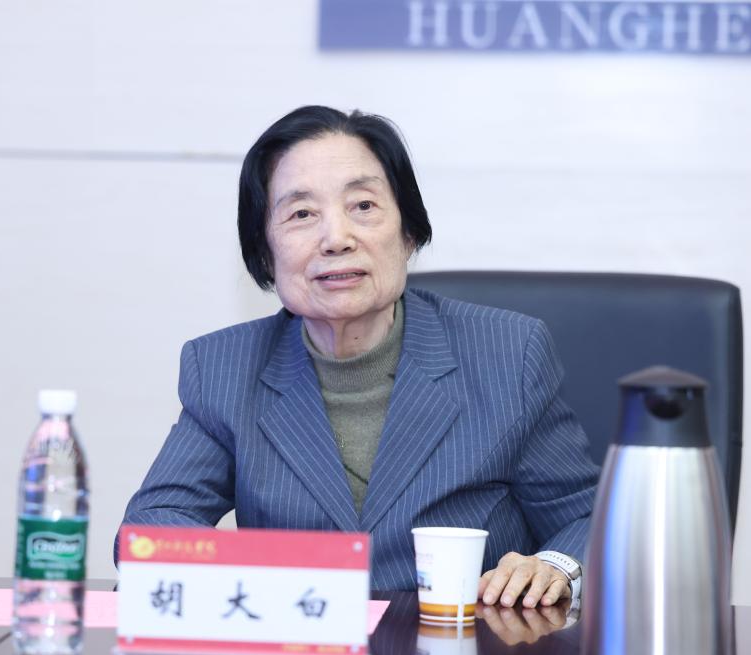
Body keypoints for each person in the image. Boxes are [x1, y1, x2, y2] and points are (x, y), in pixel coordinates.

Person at [119, 106, 600, 610]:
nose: (336, 239)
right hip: (303, 641)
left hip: (463, 637)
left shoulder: (507, 354)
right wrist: (258, 582)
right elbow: (152, 527)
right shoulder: (224, 368)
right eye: (302, 214)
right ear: (265, 253)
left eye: (363, 206)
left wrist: (555, 565)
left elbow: (587, 517)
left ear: (408, 233)